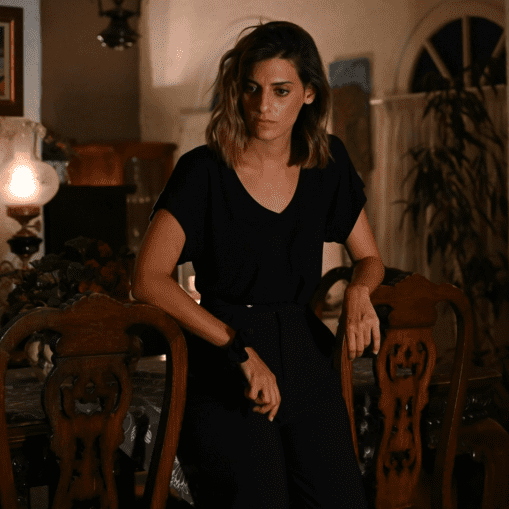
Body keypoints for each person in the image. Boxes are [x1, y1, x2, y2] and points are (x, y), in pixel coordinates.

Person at [131, 21, 384, 509]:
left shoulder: (328, 163)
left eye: (280, 91)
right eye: (252, 89)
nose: (263, 106)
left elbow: (370, 258)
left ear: (309, 94)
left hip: (305, 352)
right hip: (224, 356)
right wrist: (238, 351)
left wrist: (359, 290)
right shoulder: (203, 171)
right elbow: (147, 280)